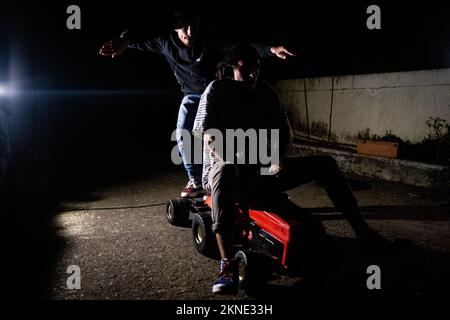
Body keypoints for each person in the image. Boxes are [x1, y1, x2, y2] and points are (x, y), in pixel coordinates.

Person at [192, 44, 391, 294]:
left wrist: (276, 158)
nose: (255, 69)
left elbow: (283, 130)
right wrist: (232, 161)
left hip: (261, 171)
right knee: (226, 170)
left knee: (324, 163)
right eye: (247, 63)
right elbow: (207, 135)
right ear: (233, 65)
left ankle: (364, 233)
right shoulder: (218, 89)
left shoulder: (265, 91)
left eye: (257, 63)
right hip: (228, 169)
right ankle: (227, 264)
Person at [98, 4, 294, 198]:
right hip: (191, 96)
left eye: (194, 26)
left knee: (228, 128)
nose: (190, 32)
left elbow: (240, 49)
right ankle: (195, 179)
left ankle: (245, 166)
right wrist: (123, 40)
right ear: (175, 27)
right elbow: (141, 37)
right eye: (185, 28)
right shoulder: (165, 42)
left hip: (215, 93)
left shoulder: (210, 43)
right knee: (183, 130)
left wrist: (270, 49)